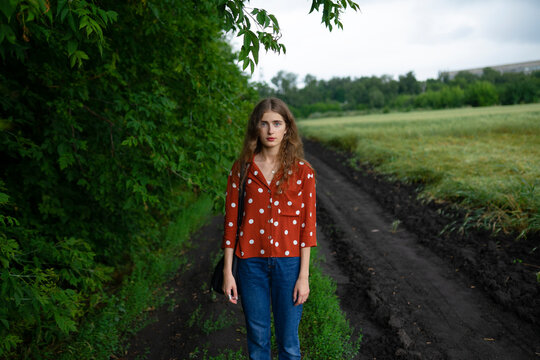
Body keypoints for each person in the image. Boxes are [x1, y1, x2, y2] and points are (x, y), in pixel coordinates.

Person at [221, 97, 317, 360]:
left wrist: (303, 276)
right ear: (256, 127)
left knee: (288, 343)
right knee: (258, 341)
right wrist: (228, 273)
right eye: (264, 124)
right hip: (250, 265)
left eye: (277, 123)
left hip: (289, 266)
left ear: (287, 128)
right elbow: (231, 224)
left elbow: (308, 229)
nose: (271, 130)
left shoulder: (303, 172)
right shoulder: (241, 170)